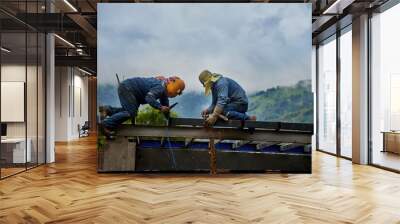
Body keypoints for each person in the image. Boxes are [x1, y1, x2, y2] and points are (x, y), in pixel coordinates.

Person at [101, 76, 185, 132]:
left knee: (126, 111)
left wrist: (168, 117)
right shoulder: (160, 88)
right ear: (174, 88)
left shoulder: (163, 90)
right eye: (177, 93)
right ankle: (106, 124)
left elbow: (165, 105)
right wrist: (160, 107)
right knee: (131, 113)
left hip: (127, 88)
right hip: (128, 89)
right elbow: (149, 98)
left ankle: (107, 110)